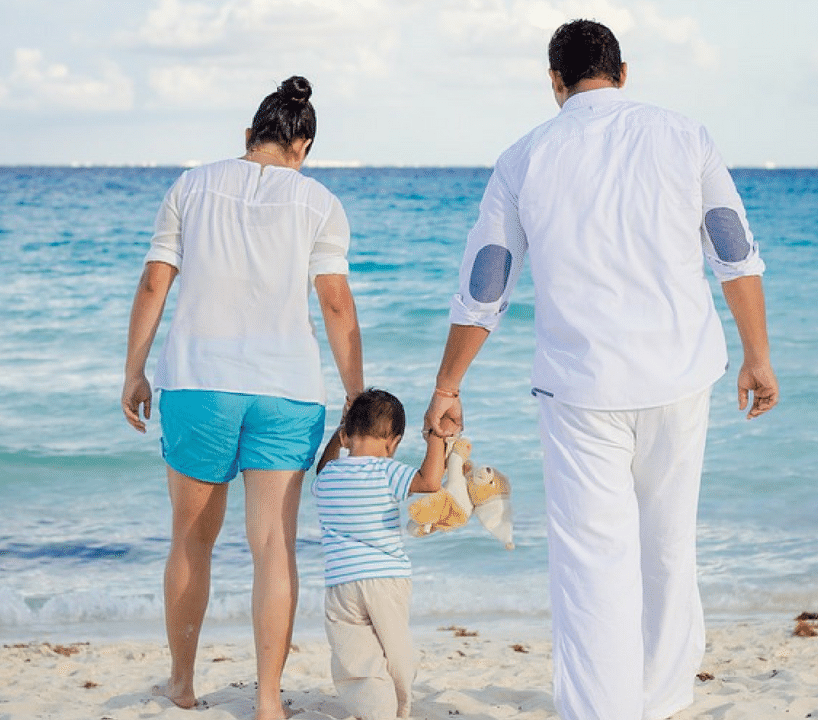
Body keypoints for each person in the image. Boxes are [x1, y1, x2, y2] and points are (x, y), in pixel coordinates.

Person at [422, 19, 779, 720]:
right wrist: (757, 358)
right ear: (623, 71)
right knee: (669, 546)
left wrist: (447, 385)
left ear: (555, 83)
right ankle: (665, 698)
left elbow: (486, 283)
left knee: (591, 561)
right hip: (679, 376)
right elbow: (734, 250)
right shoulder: (685, 135)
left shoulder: (525, 157)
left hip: (581, 389)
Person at [121, 75, 364, 720]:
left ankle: (180, 684)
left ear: (248, 137)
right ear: (303, 145)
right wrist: (355, 396)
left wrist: (134, 371)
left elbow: (154, 283)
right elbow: (336, 304)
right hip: (287, 392)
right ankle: (265, 701)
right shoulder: (320, 203)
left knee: (190, 544)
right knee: (274, 549)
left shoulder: (190, 186)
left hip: (199, 384)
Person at [313, 388, 446, 720]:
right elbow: (430, 482)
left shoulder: (328, 476)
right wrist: (435, 437)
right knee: (395, 646)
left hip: (342, 582)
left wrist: (339, 432)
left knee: (354, 654)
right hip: (386, 578)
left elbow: (322, 465)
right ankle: (401, 705)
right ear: (394, 442)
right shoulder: (388, 472)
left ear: (345, 435)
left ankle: (376, 710)